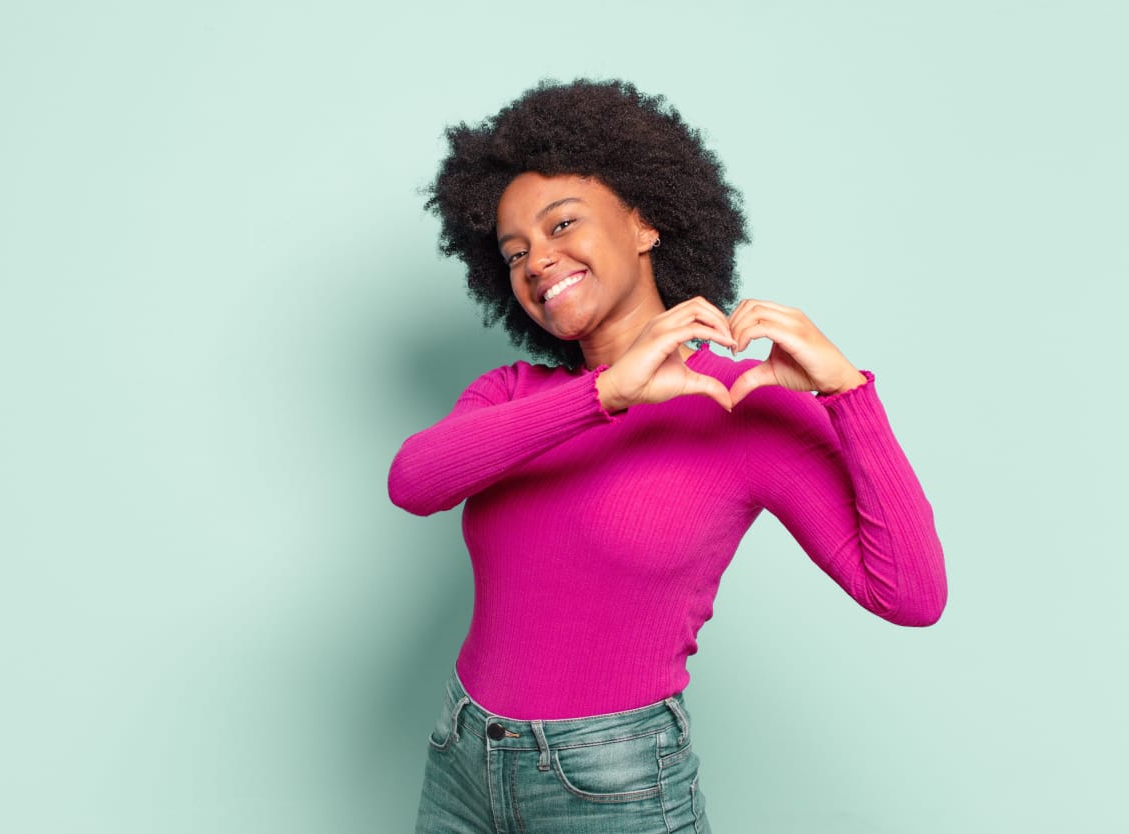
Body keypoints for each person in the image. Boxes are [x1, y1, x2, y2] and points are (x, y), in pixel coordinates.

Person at [388, 79, 946, 833]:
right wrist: (604, 393)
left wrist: (849, 394)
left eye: (562, 225)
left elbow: (911, 595)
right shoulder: (515, 394)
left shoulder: (740, 405)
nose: (538, 262)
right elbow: (414, 482)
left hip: (611, 782)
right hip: (461, 758)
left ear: (645, 222)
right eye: (515, 252)